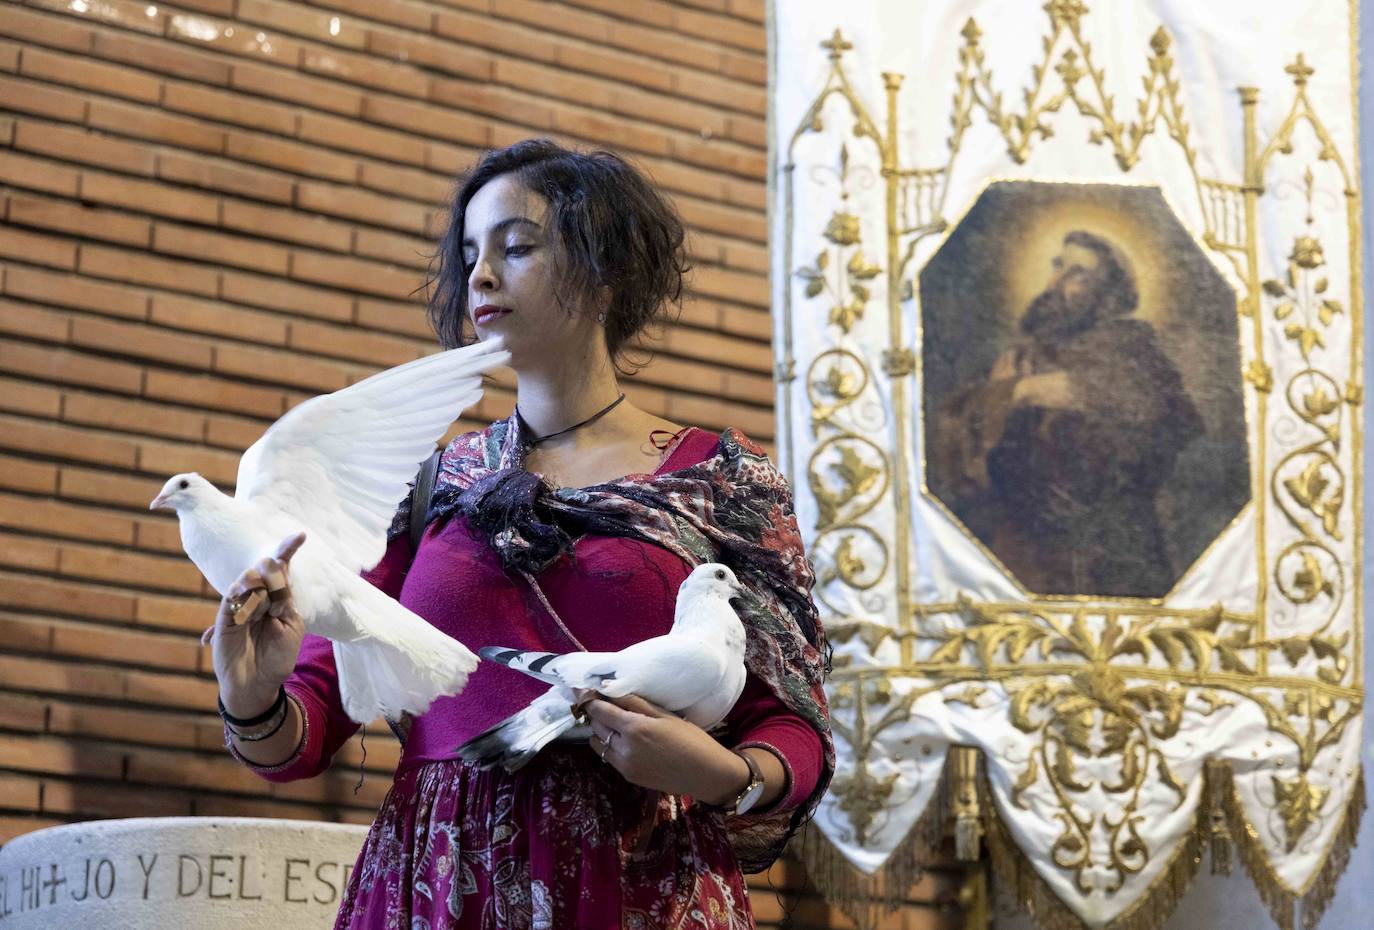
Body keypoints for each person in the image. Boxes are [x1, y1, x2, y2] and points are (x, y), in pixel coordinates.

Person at [207, 138, 833, 929]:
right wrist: (252, 694)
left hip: (641, 874)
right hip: (439, 877)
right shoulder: (430, 488)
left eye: (517, 246)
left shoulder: (721, 481)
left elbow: (792, 721)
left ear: (604, 272)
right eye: (470, 254)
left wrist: (725, 776)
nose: (480, 276)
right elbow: (305, 730)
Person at [931, 230, 1202, 597]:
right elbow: (960, 425)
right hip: (1024, 543)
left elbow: (1148, 409)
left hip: (1109, 549)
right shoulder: (1025, 352)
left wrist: (1016, 392)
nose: (1056, 282)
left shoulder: (1131, 348)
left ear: (1108, 292)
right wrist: (1011, 393)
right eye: (1058, 266)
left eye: (1078, 274)